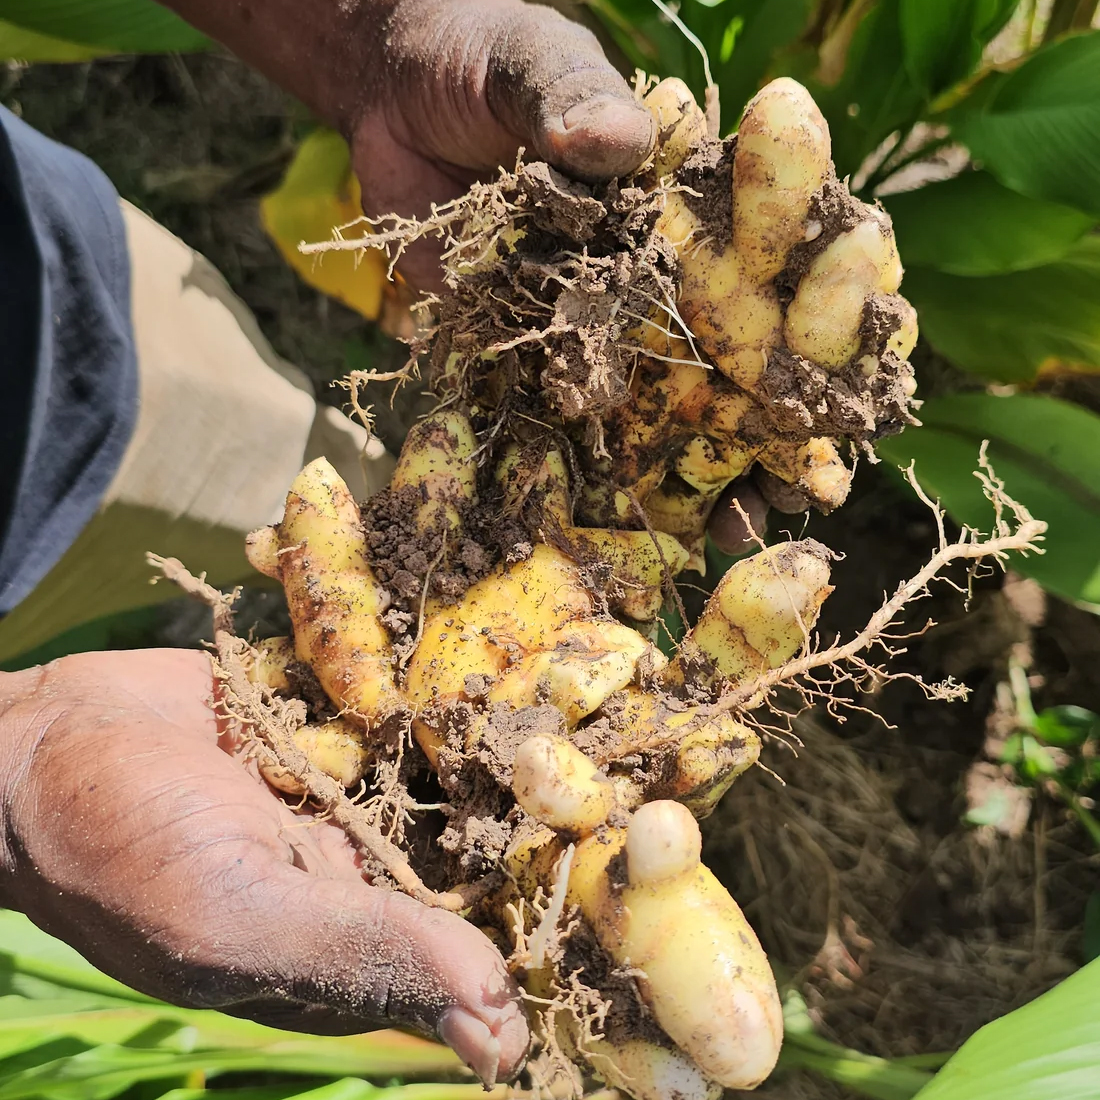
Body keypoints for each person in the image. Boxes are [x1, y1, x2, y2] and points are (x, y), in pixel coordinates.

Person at [0, 0, 762, 1084]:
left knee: (350, 495)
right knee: (355, 530)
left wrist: (371, 39)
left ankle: (390, 546)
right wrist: (18, 762)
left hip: (64, 300)